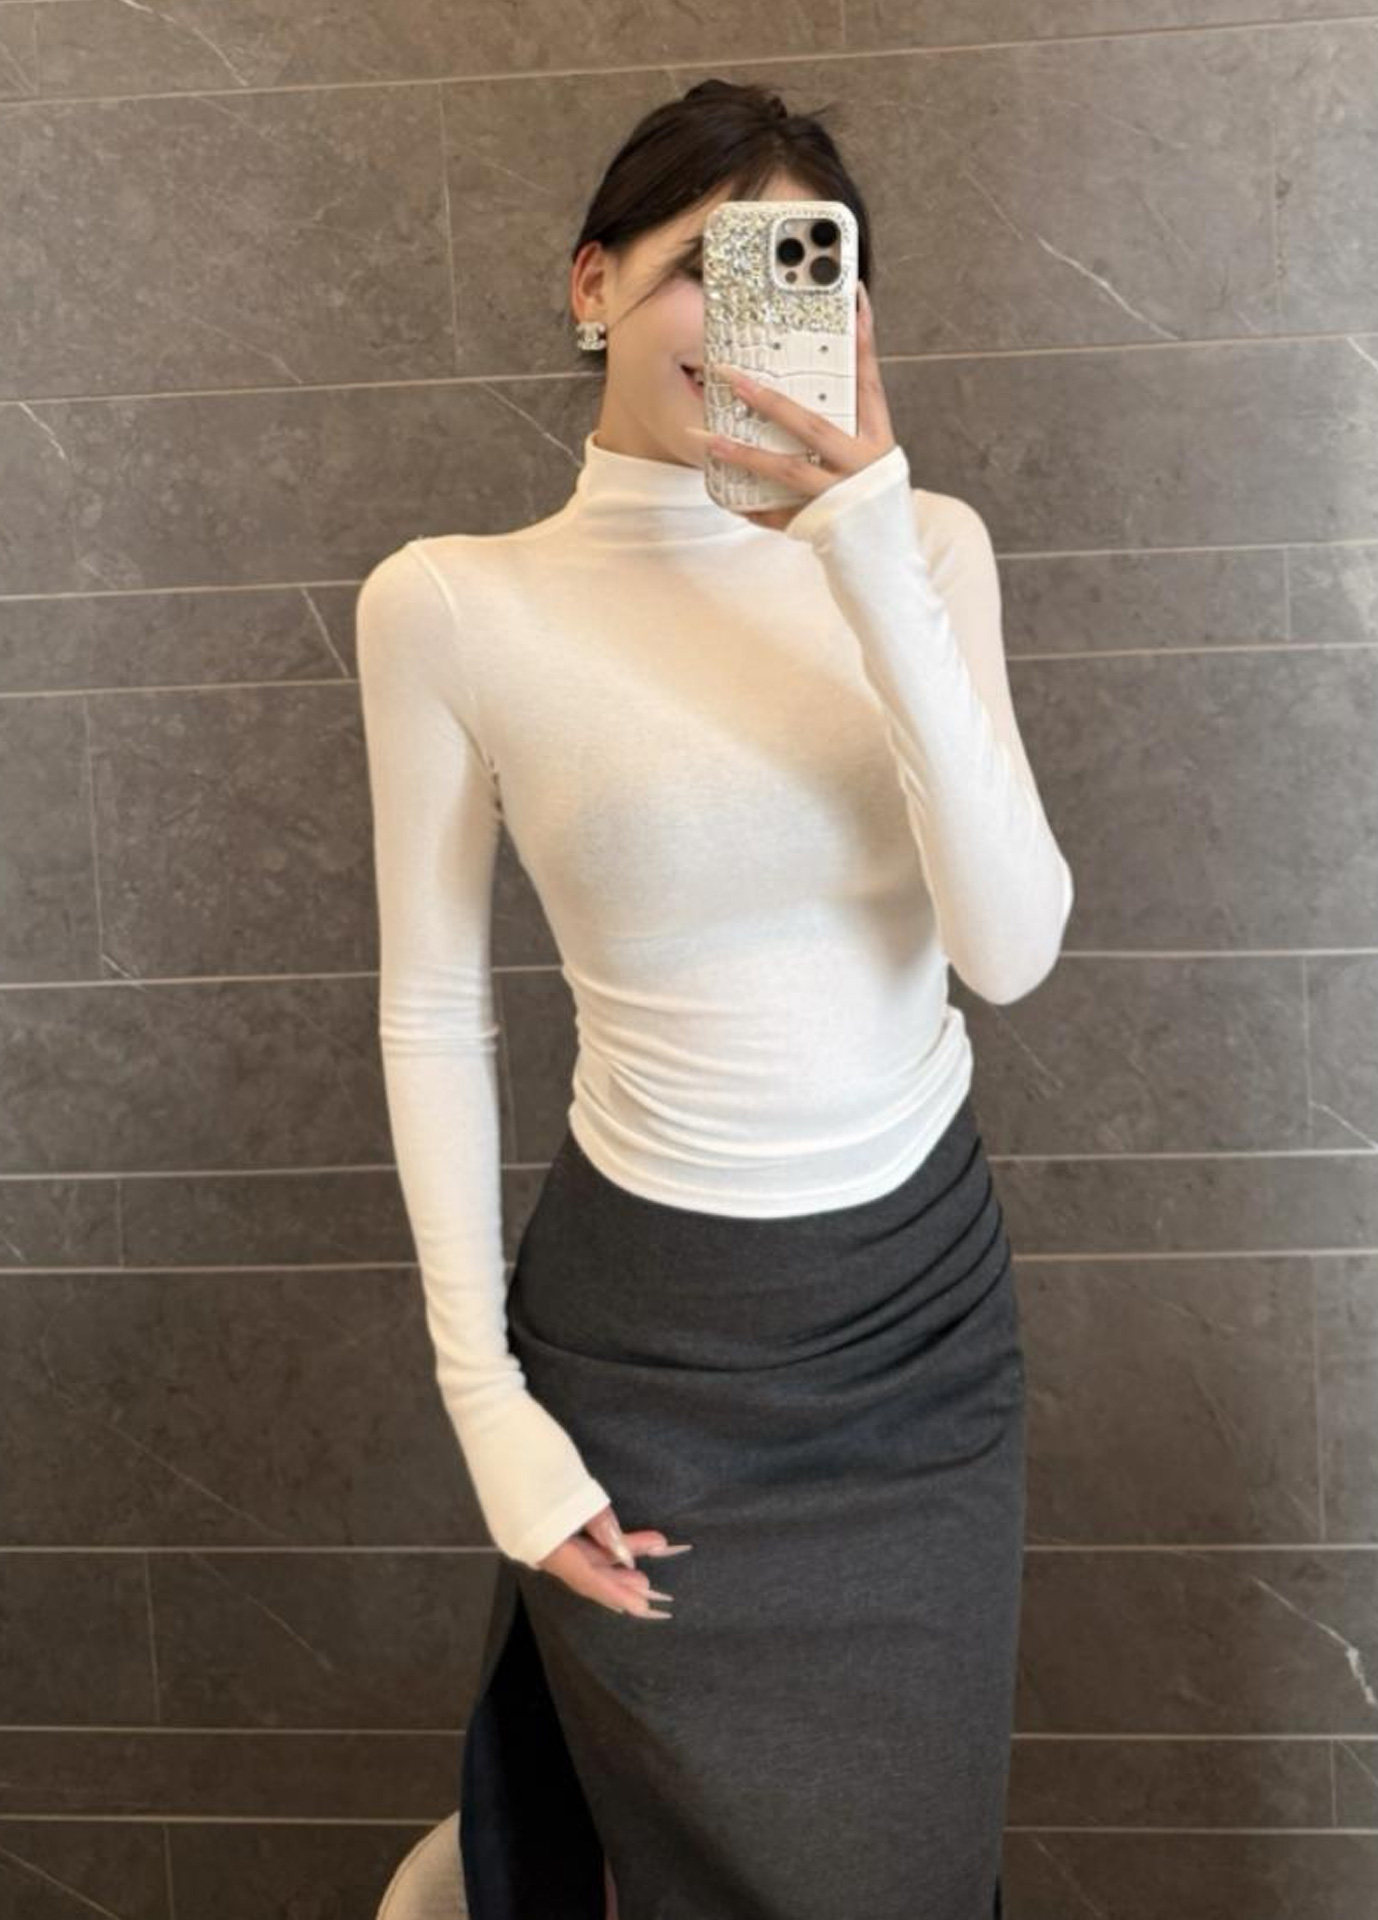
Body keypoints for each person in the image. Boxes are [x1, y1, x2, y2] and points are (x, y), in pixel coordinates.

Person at [355, 76, 1073, 1920]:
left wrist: (866, 541)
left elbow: (1009, 949)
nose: (743, 318)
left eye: (797, 273)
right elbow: (435, 1013)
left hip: (915, 1335)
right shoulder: (452, 605)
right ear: (591, 284)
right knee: (671, 1862)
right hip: (649, 1348)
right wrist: (487, 1411)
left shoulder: (925, 550)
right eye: (700, 266)